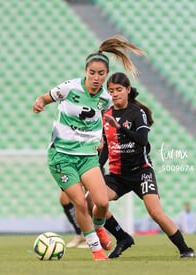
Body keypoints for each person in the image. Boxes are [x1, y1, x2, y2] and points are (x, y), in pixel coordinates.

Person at [32, 36, 144, 261]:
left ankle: (100, 226)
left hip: (87, 156)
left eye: (101, 74)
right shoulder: (69, 88)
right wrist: (39, 103)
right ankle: (96, 250)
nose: (96, 77)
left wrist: (102, 135)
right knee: (80, 203)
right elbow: (44, 98)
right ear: (86, 71)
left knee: (101, 202)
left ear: (106, 75)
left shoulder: (105, 98)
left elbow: (103, 116)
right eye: (92, 72)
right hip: (62, 156)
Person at [98, 72, 195, 259]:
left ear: (127, 90)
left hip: (141, 172)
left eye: (119, 90)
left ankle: (185, 249)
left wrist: (119, 127)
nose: (115, 94)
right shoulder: (107, 115)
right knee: (95, 203)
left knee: (156, 213)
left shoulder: (136, 113)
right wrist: (97, 169)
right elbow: (107, 149)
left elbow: (142, 140)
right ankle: (122, 237)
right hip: (118, 174)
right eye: (111, 91)